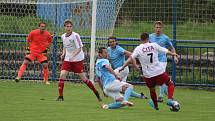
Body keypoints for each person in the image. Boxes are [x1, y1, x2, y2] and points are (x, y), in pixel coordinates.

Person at [120, 32, 178, 110]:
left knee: (152, 90)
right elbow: (165, 51)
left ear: (140, 39)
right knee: (170, 83)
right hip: (158, 71)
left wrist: (123, 67)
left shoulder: (138, 48)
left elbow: (131, 58)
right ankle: (170, 99)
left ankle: (156, 106)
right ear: (148, 39)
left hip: (148, 75)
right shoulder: (154, 45)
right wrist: (173, 54)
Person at [56, 19, 101, 102]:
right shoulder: (63, 36)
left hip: (77, 59)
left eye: (70, 26)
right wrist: (63, 54)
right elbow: (65, 46)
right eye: (67, 26)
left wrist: (73, 56)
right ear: (64, 27)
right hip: (68, 59)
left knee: (84, 79)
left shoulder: (75, 35)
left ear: (72, 27)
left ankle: (96, 92)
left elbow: (79, 48)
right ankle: (60, 96)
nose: (69, 28)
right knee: (62, 75)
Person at [149, 21, 179, 102]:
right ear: (154, 28)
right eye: (156, 27)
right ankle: (167, 92)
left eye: (159, 27)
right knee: (157, 79)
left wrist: (175, 56)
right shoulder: (150, 37)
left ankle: (161, 96)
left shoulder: (165, 38)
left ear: (162, 29)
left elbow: (172, 48)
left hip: (162, 60)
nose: (158, 29)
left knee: (161, 76)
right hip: (153, 61)